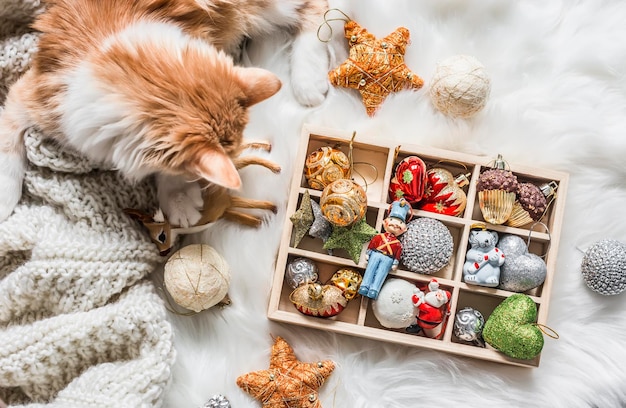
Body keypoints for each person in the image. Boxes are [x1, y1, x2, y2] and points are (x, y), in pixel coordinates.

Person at [358, 198, 411, 299]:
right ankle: (365, 286)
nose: (395, 225)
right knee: (370, 269)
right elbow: (373, 243)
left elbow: (398, 254)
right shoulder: (379, 236)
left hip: (388, 259)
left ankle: (374, 289)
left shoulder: (398, 244)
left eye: (400, 223)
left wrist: (395, 262)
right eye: (391, 220)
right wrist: (368, 253)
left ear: (404, 229)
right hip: (375, 254)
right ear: (384, 222)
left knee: (381, 273)